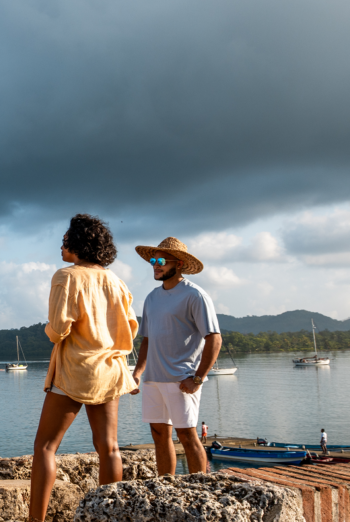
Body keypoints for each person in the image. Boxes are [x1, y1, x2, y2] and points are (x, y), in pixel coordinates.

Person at [28, 215, 138, 522]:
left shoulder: (67, 276)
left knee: (45, 447)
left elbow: (59, 328)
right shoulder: (118, 282)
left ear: (77, 244)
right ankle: (110, 517)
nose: (61, 248)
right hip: (111, 368)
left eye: (64, 242)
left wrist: (50, 333)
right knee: (109, 448)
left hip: (76, 368)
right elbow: (131, 326)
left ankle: (34, 520)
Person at [129, 237, 221, 475]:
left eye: (161, 261)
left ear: (178, 263)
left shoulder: (195, 295)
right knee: (159, 435)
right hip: (152, 379)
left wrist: (198, 378)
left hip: (182, 378)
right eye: (153, 260)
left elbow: (214, 338)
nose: (155, 265)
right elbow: (147, 340)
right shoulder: (151, 298)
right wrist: (137, 373)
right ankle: (165, 486)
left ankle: (201, 489)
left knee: (187, 435)